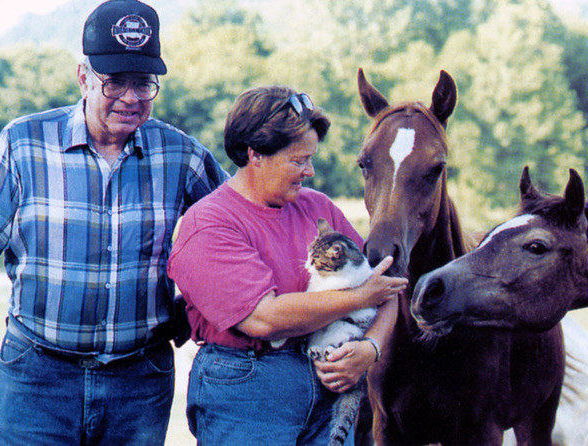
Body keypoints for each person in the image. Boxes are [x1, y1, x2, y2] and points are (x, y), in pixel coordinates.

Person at [0, 0, 227, 444]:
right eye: (115, 82)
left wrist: (187, 310)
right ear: (83, 77)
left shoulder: (182, 154)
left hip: (140, 382)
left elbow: (240, 229)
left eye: (143, 83)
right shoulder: (23, 144)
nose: (131, 97)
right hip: (34, 380)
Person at [167, 85, 408, 445]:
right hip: (248, 389)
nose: (309, 171)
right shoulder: (209, 223)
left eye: (310, 158)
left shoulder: (318, 208)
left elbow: (387, 289)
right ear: (255, 155)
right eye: (298, 160)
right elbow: (265, 318)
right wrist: (360, 297)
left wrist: (369, 349)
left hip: (327, 386)